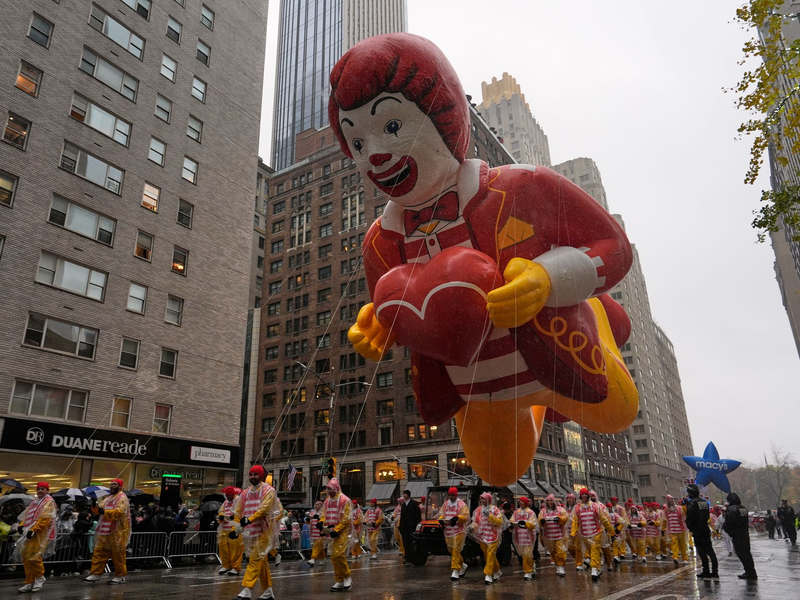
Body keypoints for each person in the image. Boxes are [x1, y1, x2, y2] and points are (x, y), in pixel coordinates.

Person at [331, 33, 637, 488]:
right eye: (357, 143)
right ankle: (527, 409)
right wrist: (378, 321)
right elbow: (398, 307)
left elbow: (614, 247)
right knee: (497, 473)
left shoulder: (523, 186)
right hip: (478, 386)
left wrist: (548, 278)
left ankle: (594, 318)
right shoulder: (380, 242)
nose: (373, 154)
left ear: (444, 114)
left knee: (617, 411)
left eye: (391, 127)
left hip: (557, 350)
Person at [232, 465, 279, 600]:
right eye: (251, 474)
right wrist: (236, 527)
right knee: (261, 561)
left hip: (265, 531)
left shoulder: (269, 491)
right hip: (250, 532)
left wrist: (248, 520)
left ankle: (247, 590)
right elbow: (238, 511)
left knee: (255, 559)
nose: (252, 477)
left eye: (255, 474)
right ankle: (268, 591)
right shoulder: (245, 492)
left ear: (261, 476)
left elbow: (264, 509)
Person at [83, 478, 130, 585]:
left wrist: (104, 511)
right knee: (99, 552)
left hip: (117, 531)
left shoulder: (122, 497)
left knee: (117, 554)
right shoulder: (108, 498)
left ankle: (120, 575)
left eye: (114, 484)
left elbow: (120, 512)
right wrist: (94, 505)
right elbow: (100, 509)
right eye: (111, 484)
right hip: (104, 530)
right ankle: (96, 573)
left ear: (120, 486)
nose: (112, 486)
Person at [14, 482, 56, 593]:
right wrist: (21, 525)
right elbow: (26, 515)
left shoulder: (49, 502)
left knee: (33, 556)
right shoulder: (34, 503)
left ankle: (39, 577)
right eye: (38, 489)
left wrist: (34, 529)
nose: (40, 491)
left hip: (39, 534)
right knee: (26, 557)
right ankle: (29, 581)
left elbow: (45, 518)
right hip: (29, 533)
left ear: (47, 490)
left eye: (43, 489)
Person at [570, 488, 614, 582]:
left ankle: (594, 569)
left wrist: (611, 530)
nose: (584, 496)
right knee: (591, 551)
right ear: (580, 496)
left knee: (595, 550)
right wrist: (573, 532)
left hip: (596, 532)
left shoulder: (595, 506)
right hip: (584, 534)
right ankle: (597, 568)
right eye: (583, 495)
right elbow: (575, 521)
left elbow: (603, 519)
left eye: (586, 494)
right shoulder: (577, 508)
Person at [319, 478, 353, 592]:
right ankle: (339, 580)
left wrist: (337, 530)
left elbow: (346, 519)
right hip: (331, 532)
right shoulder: (328, 500)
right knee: (333, 556)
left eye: (330, 489)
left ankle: (347, 576)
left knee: (339, 555)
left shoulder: (344, 500)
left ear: (335, 488)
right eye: (327, 489)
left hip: (342, 532)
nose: (328, 491)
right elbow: (324, 513)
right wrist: (321, 522)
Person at [684, 483, 718, 579]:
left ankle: (706, 571)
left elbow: (690, 518)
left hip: (697, 530)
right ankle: (714, 571)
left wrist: (691, 528)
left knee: (702, 552)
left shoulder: (692, 503)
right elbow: (707, 515)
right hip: (705, 528)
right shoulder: (704, 502)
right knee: (710, 551)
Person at [470, 492, 503, 585]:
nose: (482, 500)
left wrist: (490, 515)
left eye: (484, 498)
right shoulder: (478, 510)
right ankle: (497, 571)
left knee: (490, 553)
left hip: (493, 536)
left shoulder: (495, 509)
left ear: (488, 499)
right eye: (481, 498)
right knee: (488, 555)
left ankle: (488, 574)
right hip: (483, 536)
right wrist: (471, 527)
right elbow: (475, 521)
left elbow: (499, 522)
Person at [436, 487, 469, 581]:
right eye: (449, 495)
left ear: (456, 495)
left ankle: (455, 570)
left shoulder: (461, 504)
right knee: (451, 549)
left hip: (458, 530)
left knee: (455, 548)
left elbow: (465, 516)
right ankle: (462, 564)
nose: (450, 497)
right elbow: (441, 513)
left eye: (452, 495)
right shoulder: (446, 504)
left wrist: (457, 518)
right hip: (448, 530)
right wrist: (441, 520)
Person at [723, 492, 757, 580]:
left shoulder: (731, 509)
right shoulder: (744, 509)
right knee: (747, 553)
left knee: (741, 553)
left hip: (737, 534)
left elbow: (729, 522)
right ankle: (751, 571)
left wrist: (727, 528)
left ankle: (749, 572)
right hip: (744, 533)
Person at [538, 494, 568, 577]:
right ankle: (558, 566)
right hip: (549, 536)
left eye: (551, 500)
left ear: (554, 501)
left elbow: (565, 517)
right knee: (553, 552)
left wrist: (560, 519)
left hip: (559, 535)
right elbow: (539, 519)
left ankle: (561, 567)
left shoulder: (560, 509)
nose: (550, 502)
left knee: (560, 551)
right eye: (548, 501)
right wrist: (542, 522)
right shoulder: (543, 511)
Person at [217, 486, 244, 576]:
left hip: (234, 529)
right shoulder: (225, 502)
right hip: (224, 529)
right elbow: (221, 511)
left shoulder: (238, 501)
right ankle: (226, 565)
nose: (228, 497)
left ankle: (236, 567)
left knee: (235, 549)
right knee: (223, 548)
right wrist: (221, 516)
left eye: (229, 495)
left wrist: (234, 528)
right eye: (227, 495)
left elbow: (238, 514)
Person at [512, 497, 537, 580]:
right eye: (520, 501)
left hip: (528, 537)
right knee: (523, 555)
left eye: (523, 501)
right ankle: (532, 565)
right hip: (519, 537)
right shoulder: (516, 512)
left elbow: (533, 524)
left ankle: (528, 572)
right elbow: (511, 521)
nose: (521, 503)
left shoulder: (531, 512)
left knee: (527, 554)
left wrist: (526, 524)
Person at [661, 494, 688, 565]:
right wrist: (663, 529)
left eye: (672, 499)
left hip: (681, 529)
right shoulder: (666, 510)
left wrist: (685, 505)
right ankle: (675, 557)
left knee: (682, 544)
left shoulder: (679, 508)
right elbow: (664, 520)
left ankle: (684, 558)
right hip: (672, 530)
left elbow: (685, 513)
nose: (671, 501)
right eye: (670, 500)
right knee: (674, 544)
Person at [398, 489, 421, 561]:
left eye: (405, 494)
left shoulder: (414, 503)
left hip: (412, 526)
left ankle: (412, 557)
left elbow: (418, 516)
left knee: (412, 542)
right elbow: (402, 517)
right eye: (403, 494)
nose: (404, 496)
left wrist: (416, 525)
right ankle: (407, 556)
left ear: (408, 495)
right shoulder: (403, 505)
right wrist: (400, 526)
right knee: (405, 542)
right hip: (405, 527)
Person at [306, 501, 325, 566]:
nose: (316, 506)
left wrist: (318, 518)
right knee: (318, 546)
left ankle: (313, 559)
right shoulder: (312, 512)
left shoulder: (323, 512)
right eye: (316, 505)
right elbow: (308, 521)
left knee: (317, 545)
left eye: (318, 505)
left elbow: (324, 520)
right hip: (313, 532)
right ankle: (323, 558)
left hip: (320, 532)